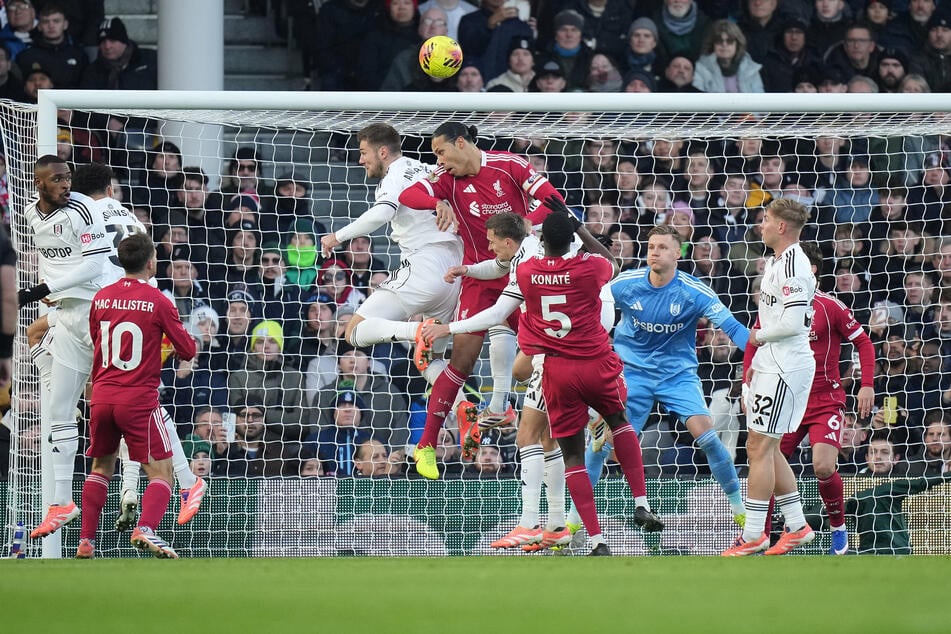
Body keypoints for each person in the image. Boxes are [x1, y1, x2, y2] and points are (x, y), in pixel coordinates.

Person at [397, 122, 564, 480]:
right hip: (479, 277)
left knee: (547, 355)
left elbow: (553, 199)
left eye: (441, 151)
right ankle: (426, 445)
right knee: (460, 362)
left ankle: (576, 422)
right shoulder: (446, 178)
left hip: (523, 274)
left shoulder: (511, 165)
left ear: (461, 143)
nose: (438, 160)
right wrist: (437, 201)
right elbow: (408, 196)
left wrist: (527, 224)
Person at [567, 223, 749, 536]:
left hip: (677, 375)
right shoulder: (626, 284)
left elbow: (734, 330)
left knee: (707, 438)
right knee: (601, 445)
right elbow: (590, 309)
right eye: (651, 247)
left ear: (678, 253)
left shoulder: (694, 291)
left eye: (663, 247)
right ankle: (571, 523)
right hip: (631, 373)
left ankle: (741, 512)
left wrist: (760, 360)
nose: (655, 252)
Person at [512, 207, 662, 556]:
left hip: (557, 369)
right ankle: (640, 499)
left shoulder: (526, 272)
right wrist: (580, 226)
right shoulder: (589, 267)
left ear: (542, 240)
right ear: (573, 241)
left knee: (572, 456)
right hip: (595, 361)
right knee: (619, 422)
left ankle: (596, 540)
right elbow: (613, 262)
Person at [421, 212, 570, 550]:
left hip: (557, 354)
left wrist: (447, 328)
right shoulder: (526, 252)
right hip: (563, 348)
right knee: (549, 440)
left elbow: (495, 313)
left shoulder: (528, 264)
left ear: (507, 241)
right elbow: (498, 269)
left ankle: (532, 523)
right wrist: (469, 270)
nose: (487, 247)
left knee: (531, 435)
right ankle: (558, 524)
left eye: (490, 242)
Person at [77, 232, 197, 559]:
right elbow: (187, 348)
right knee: (162, 472)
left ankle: (86, 541)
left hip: (101, 396)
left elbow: (96, 343)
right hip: (138, 400)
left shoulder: (101, 298)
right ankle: (145, 529)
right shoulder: (158, 301)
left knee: (101, 467)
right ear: (150, 262)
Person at [755, 241, 876, 555]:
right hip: (787, 399)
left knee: (823, 466)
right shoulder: (775, 308)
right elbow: (754, 342)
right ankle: (762, 536)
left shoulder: (829, 306)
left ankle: (838, 526)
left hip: (825, 400)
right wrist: (747, 381)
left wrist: (866, 385)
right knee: (765, 461)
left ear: (812, 273)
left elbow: (864, 343)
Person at [320, 123, 463, 386]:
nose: (361, 159)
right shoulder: (429, 169)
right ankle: (463, 408)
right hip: (454, 276)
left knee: (354, 331)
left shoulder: (395, 174)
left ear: (383, 152)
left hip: (425, 265)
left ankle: (415, 330)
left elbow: (382, 213)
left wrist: (337, 236)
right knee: (431, 359)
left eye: (364, 152)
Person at [19, 156, 109, 539]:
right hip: (66, 316)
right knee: (57, 408)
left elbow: (94, 265)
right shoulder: (30, 213)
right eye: (57, 179)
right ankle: (61, 502)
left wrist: (42, 290)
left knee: (131, 401)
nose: (65, 184)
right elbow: (48, 260)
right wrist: (47, 294)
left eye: (68, 177)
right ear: (38, 182)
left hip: (96, 311)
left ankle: (186, 480)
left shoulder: (83, 208)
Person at [722, 197, 817, 556]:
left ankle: (753, 536)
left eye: (765, 219)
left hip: (786, 366)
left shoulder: (795, 264)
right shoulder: (777, 261)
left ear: (781, 227)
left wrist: (756, 337)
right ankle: (797, 526)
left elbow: (792, 324)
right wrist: (758, 356)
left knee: (759, 447)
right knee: (765, 445)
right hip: (771, 362)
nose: (760, 225)